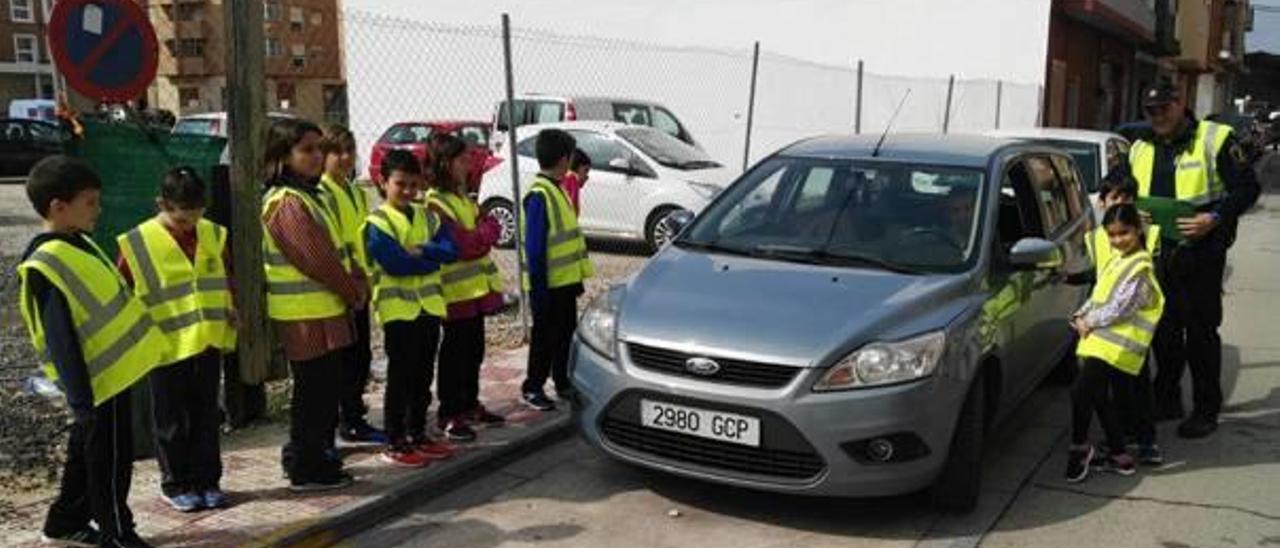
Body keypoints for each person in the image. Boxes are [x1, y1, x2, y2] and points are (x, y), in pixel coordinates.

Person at [18, 156, 171, 547]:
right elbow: (61, 340)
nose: (98, 210)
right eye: (91, 202)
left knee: (86, 455)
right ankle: (117, 532)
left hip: (110, 377)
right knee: (110, 463)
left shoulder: (77, 244)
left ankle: (64, 521)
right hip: (98, 383)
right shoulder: (49, 262)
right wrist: (81, 400)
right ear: (58, 206)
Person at [1131, 78, 1261, 439]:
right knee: (1164, 331)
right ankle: (1167, 398)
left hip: (1202, 252)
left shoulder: (1214, 139)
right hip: (1159, 253)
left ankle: (1206, 409)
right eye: (1151, 110)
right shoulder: (1140, 146)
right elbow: (1123, 184)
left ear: (1180, 103)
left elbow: (1248, 188)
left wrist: (1214, 218)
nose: (1158, 115)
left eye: (1164, 108)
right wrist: (1125, 205)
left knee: (1201, 334)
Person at [116, 167, 235, 512]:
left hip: (207, 339)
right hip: (164, 345)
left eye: (195, 217)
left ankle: (208, 481)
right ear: (162, 205)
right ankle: (176, 483)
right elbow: (123, 293)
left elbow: (224, 275)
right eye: (181, 219)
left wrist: (232, 305)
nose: (189, 226)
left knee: (206, 415)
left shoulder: (212, 233)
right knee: (170, 420)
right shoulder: (137, 243)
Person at [261, 118, 367, 491]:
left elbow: (334, 249)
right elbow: (316, 258)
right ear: (283, 157)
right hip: (305, 316)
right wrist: (352, 290)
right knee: (314, 394)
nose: (316, 156)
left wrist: (353, 278)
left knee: (325, 392)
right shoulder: (286, 202)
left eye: (319, 149)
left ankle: (318, 456)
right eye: (306, 150)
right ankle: (307, 466)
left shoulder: (309, 195)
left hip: (323, 311)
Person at [364, 150, 460, 467]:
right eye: (399, 184)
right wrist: (428, 257)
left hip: (428, 308)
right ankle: (396, 439)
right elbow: (394, 263)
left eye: (413, 184)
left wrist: (422, 250)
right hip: (398, 312)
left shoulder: (428, 215)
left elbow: (450, 250)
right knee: (401, 377)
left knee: (422, 375)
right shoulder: (377, 222)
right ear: (383, 182)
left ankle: (417, 433)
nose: (407, 191)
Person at [1066, 204, 1165, 483]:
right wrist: (1080, 314)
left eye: (1124, 233)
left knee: (1080, 393)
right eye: (1112, 235)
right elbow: (1100, 293)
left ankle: (1079, 448)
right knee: (1096, 395)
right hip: (1101, 343)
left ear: (1137, 230)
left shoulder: (1141, 266)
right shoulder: (1118, 259)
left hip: (1115, 347)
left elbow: (1121, 308)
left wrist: (1088, 321)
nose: (1118, 240)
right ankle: (1120, 456)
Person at [424, 135, 506, 442]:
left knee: (474, 351)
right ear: (445, 163)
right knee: (455, 355)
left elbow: (493, 228)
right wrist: (481, 234)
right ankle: (449, 412)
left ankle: (469, 403)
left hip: (476, 292)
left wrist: (481, 233)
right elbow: (463, 245)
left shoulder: (465, 198)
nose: (468, 164)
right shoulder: (435, 202)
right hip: (454, 294)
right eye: (462, 159)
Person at [316, 124, 386, 445]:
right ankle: (346, 420)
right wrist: (349, 281)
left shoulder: (355, 190)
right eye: (337, 152)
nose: (345, 158)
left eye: (349, 150)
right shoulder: (323, 192)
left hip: (360, 285)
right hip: (341, 288)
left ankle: (354, 415)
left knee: (360, 357)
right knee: (344, 361)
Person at [521, 129, 595, 411]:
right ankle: (532, 386)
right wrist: (539, 290)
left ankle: (561, 380)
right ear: (564, 159)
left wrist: (576, 278)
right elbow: (536, 248)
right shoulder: (540, 194)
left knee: (565, 333)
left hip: (564, 283)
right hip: (547, 285)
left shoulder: (558, 189)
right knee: (544, 337)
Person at [560, 148, 591, 214]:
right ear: (577, 167)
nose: (587, 176)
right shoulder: (572, 179)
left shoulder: (565, 177)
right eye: (585, 171)